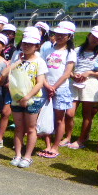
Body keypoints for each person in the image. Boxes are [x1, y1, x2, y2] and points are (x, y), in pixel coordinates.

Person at [3, 32, 47, 168]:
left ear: (36, 46)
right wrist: (18, 61)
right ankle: (17, 154)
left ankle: (27, 156)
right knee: (18, 127)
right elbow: (5, 73)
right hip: (17, 98)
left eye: (30, 44)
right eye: (24, 43)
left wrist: (27, 97)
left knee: (31, 128)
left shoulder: (39, 62)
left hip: (33, 99)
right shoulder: (18, 59)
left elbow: (40, 83)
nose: (26, 46)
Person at [63, 26, 98, 148]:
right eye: (94, 36)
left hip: (90, 84)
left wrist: (89, 73)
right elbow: (69, 67)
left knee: (87, 114)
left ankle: (81, 140)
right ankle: (68, 136)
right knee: (69, 113)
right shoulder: (77, 50)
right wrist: (72, 75)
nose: (95, 40)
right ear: (89, 35)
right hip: (74, 83)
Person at [38, 21, 77, 158]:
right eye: (57, 34)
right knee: (45, 115)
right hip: (45, 87)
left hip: (61, 89)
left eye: (63, 35)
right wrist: (47, 85)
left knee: (59, 119)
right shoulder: (47, 50)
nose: (59, 36)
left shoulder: (70, 52)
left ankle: (55, 146)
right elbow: (41, 69)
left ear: (69, 36)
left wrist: (54, 87)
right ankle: (48, 145)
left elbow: (67, 73)